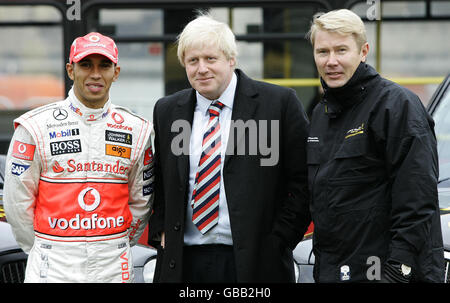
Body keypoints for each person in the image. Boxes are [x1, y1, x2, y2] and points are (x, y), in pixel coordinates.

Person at [148, 14, 311, 282]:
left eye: (211, 59)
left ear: (231, 59)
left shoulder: (277, 104)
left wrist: (280, 239)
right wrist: (160, 231)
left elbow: (303, 180)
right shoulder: (168, 111)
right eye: (193, 61)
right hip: (184, 262)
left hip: (255, 262)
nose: (201, 69)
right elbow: (162, 180)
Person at [4, 32, 154, 283]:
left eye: (104, 65)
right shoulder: (35, 127)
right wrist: (45, 247)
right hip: (52, 266)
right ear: (70, 70)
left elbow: (142, 201)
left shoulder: (137, 130)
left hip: (114, 266)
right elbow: (17, 203)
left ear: (115, 72)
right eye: (86, 65)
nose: (95, 74)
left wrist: (114, 244)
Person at [306, 9, 444, 282]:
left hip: (388, 273)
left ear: (363, 51)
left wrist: (397, 271)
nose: (331, 61)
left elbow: (418, 201)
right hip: (336, 271)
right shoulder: (320, 114)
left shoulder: (396, 106)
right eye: (323, 52)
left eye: (341, 50)